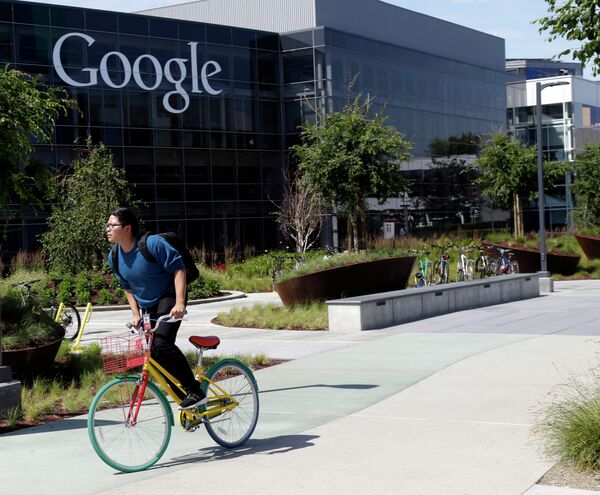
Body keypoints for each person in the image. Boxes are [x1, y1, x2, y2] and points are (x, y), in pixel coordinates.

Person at [106, 207, 205, 410]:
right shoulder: (114, 255)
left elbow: (179, 268)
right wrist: (135, 314)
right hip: (148, 304)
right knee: (153, 353)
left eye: (112, 225)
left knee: (162, 344)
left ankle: (195, 391)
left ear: (127, 228)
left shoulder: (152, 243)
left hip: (169, 295)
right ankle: (184, 398)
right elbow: (127, 287)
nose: (108, 229)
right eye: (108, 225)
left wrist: (179, 303)